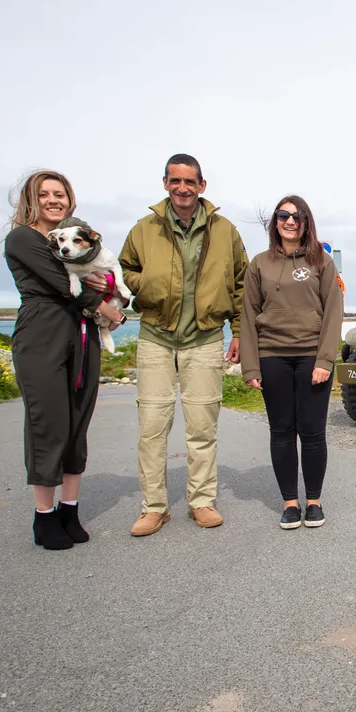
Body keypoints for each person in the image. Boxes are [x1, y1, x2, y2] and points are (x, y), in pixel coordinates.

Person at [118, 154, 248, 536]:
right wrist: (145, 285)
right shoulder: (144, 229)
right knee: (152, 427)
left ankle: (202, 501)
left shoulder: (225, 230)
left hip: (206, 338)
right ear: (165, 183)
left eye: (190, 181)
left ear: (202, 186)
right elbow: (125, 268)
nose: (183, 188)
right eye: (175, 181)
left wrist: (238, 331)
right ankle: (154, 507)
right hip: (156, 337)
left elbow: (242, 283)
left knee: (202, 428)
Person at [3, 169, 128, 550]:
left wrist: (107, 301)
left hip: (82, 335)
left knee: (77, 422)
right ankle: (44, 517)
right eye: (45, 194)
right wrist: (111, 311)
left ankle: (69, 510)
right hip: (42, 334)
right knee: (49, 424)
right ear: (31, 199)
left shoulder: (70, 240)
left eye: (60, 194)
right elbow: (63, 284)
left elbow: (98, 278)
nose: (54, 200)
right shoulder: (23, 238)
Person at [240, 195, 342, 529]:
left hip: (312, 356)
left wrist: (325, 359)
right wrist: (251, 366)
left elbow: (333, 314)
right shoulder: (259, 264)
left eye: (297, 216)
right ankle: (290, 503)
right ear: (275, 221)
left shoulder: (322, 262)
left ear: (306, 223)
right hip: (273, 356)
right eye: (284, 215)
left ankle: (313, 500)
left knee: (312, 432)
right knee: (282, 431)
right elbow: (249, 315)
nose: (290, 221)